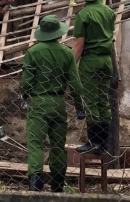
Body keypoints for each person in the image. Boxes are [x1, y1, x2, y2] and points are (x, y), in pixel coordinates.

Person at [21, 15, 84, 192]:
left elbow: (27, 82)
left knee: (36, 145)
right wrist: (80, 108)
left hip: (39, 102)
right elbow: (75, 84)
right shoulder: (67, 53)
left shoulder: (32, 52)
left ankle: (35, 183)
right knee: (58, 145)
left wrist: (25, 96)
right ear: (58, 33)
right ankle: (57, 184)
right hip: (58, 103)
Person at [71, 0, 116, 154]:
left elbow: (79, 45)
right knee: (103, 99)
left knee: (90, 101)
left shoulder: (83, 15)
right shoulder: (109, 12)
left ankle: (94, 142)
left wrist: (71, 67)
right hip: (106, 60)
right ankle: (104, 143)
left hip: (90, 61)